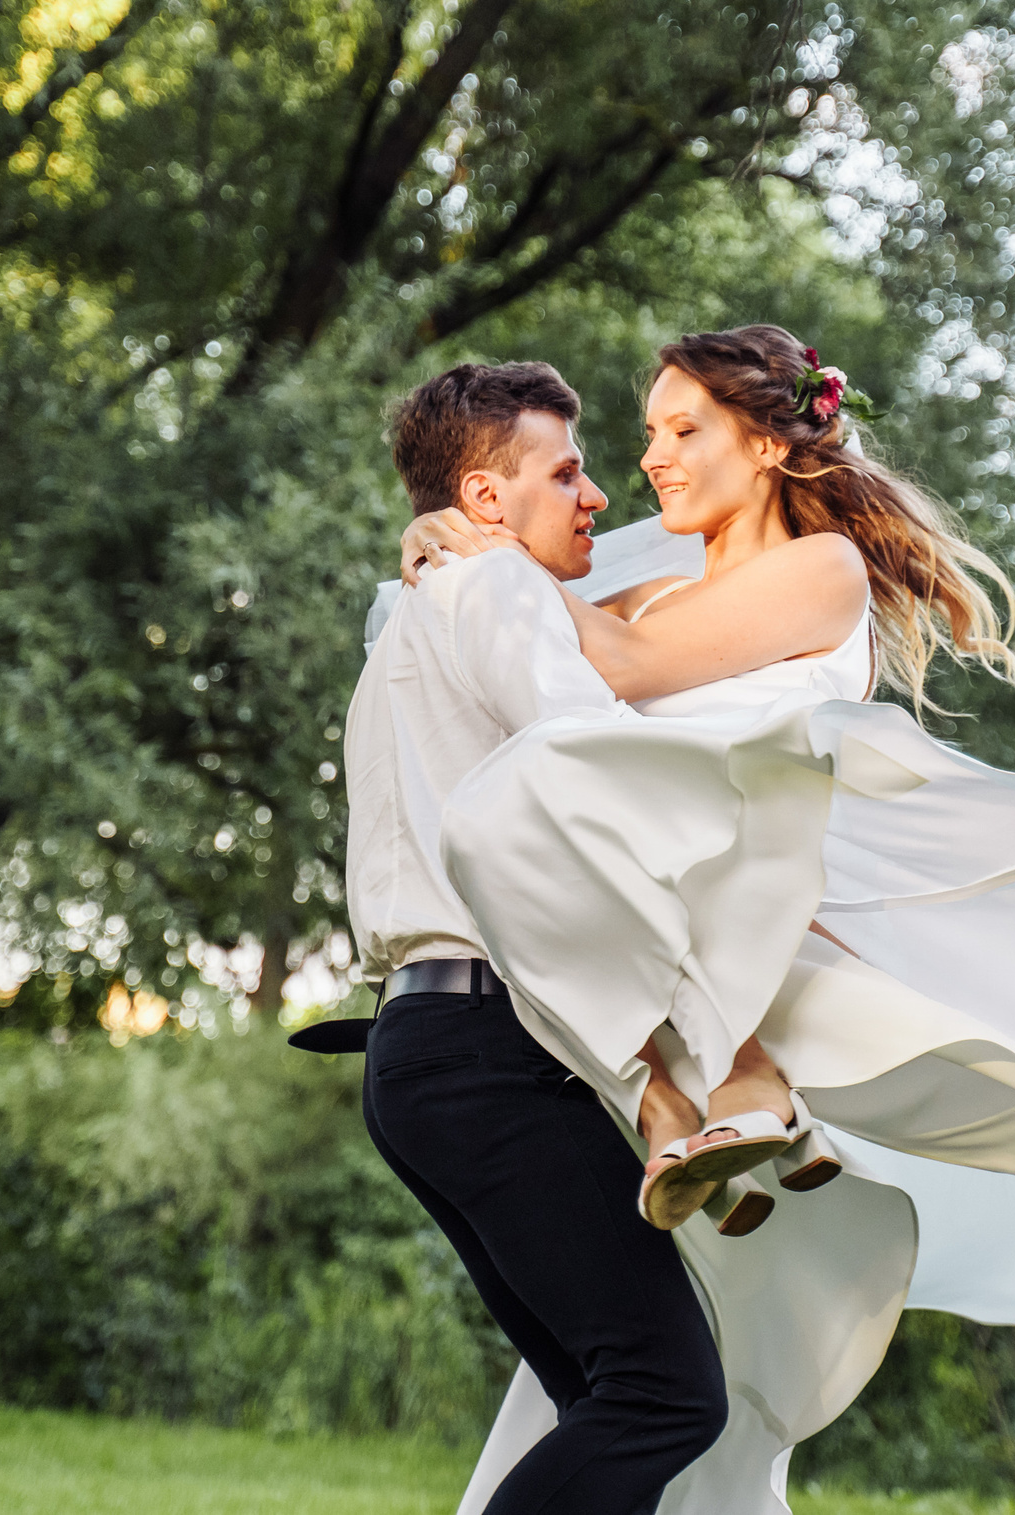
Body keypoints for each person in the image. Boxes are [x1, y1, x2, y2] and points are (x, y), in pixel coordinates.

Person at [400, 325, 1015, 1512]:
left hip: (748, 912)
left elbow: (606, 661)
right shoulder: (666, 579)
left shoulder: (818, 569)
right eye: (645, 435)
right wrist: (463, 543)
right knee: (649, 1382)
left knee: (672, 1386)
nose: (652, 462)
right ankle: (717, 1096)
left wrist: (484, 558)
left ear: (771, 444)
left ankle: (744, 1083)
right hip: (664, 954)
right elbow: (524, 630)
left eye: (685, 431)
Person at [323, 358, 728, 1515]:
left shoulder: (414, 614)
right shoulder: (489, 590)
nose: (597, 493)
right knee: (663, 1397)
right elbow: (594, 766)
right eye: (567, 470)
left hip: (427, 1054)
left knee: (602, 1399)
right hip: (489, 1053)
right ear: (486, 499)